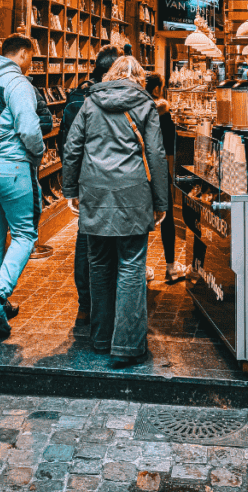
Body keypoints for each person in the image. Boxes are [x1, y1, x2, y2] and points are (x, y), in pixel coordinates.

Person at [63, 55, 169, 367]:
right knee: (132, 266)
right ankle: (127, 345)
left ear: (110, 74)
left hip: (95, 191)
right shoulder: (145, 104)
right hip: (133, 193)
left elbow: (72, 147)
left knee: (98, 264)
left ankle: (100, 338)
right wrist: (161, 202)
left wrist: (70, 190)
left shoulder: (90, 102)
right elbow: (156, 154)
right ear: (140, 78)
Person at [0, 33, 45, 335]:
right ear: (24, 54)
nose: (31, 63)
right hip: (10, 166)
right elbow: (29, 129)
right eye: (32, 57)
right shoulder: (18, 83)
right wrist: (38, 153)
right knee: (25, 234)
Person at [58, 44, 119, 329]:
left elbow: (67, 146)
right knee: (113, 243)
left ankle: (86, 305)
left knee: (86, 240)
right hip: (109, 178)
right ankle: (106, 304)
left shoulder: (77, 96)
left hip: (86, 179)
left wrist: (71, 186)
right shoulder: (108, 97)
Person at [145, 74, 188, 284]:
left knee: (141, 219)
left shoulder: (137, 110)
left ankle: (141, 268)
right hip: (160, 170)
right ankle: (170, 267)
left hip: (141, 170)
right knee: (167, 217)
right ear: (156, 90)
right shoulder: (163, 112)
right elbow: (169, 145)